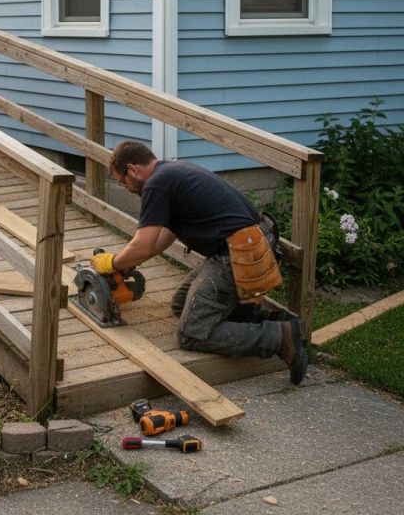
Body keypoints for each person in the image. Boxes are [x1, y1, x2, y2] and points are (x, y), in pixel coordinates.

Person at [91, 139, 308, 384]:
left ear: (132, 169)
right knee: (181, 305)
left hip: (239, 251)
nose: (127, 187)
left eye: (123, 181)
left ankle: (280, 337)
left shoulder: (156, 185)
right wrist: (129, 261)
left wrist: (111, 263)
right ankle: (272, 320)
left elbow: (142, 244)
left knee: (191, 333)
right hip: (245, 243)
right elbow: (163, 236)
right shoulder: (172, 171)